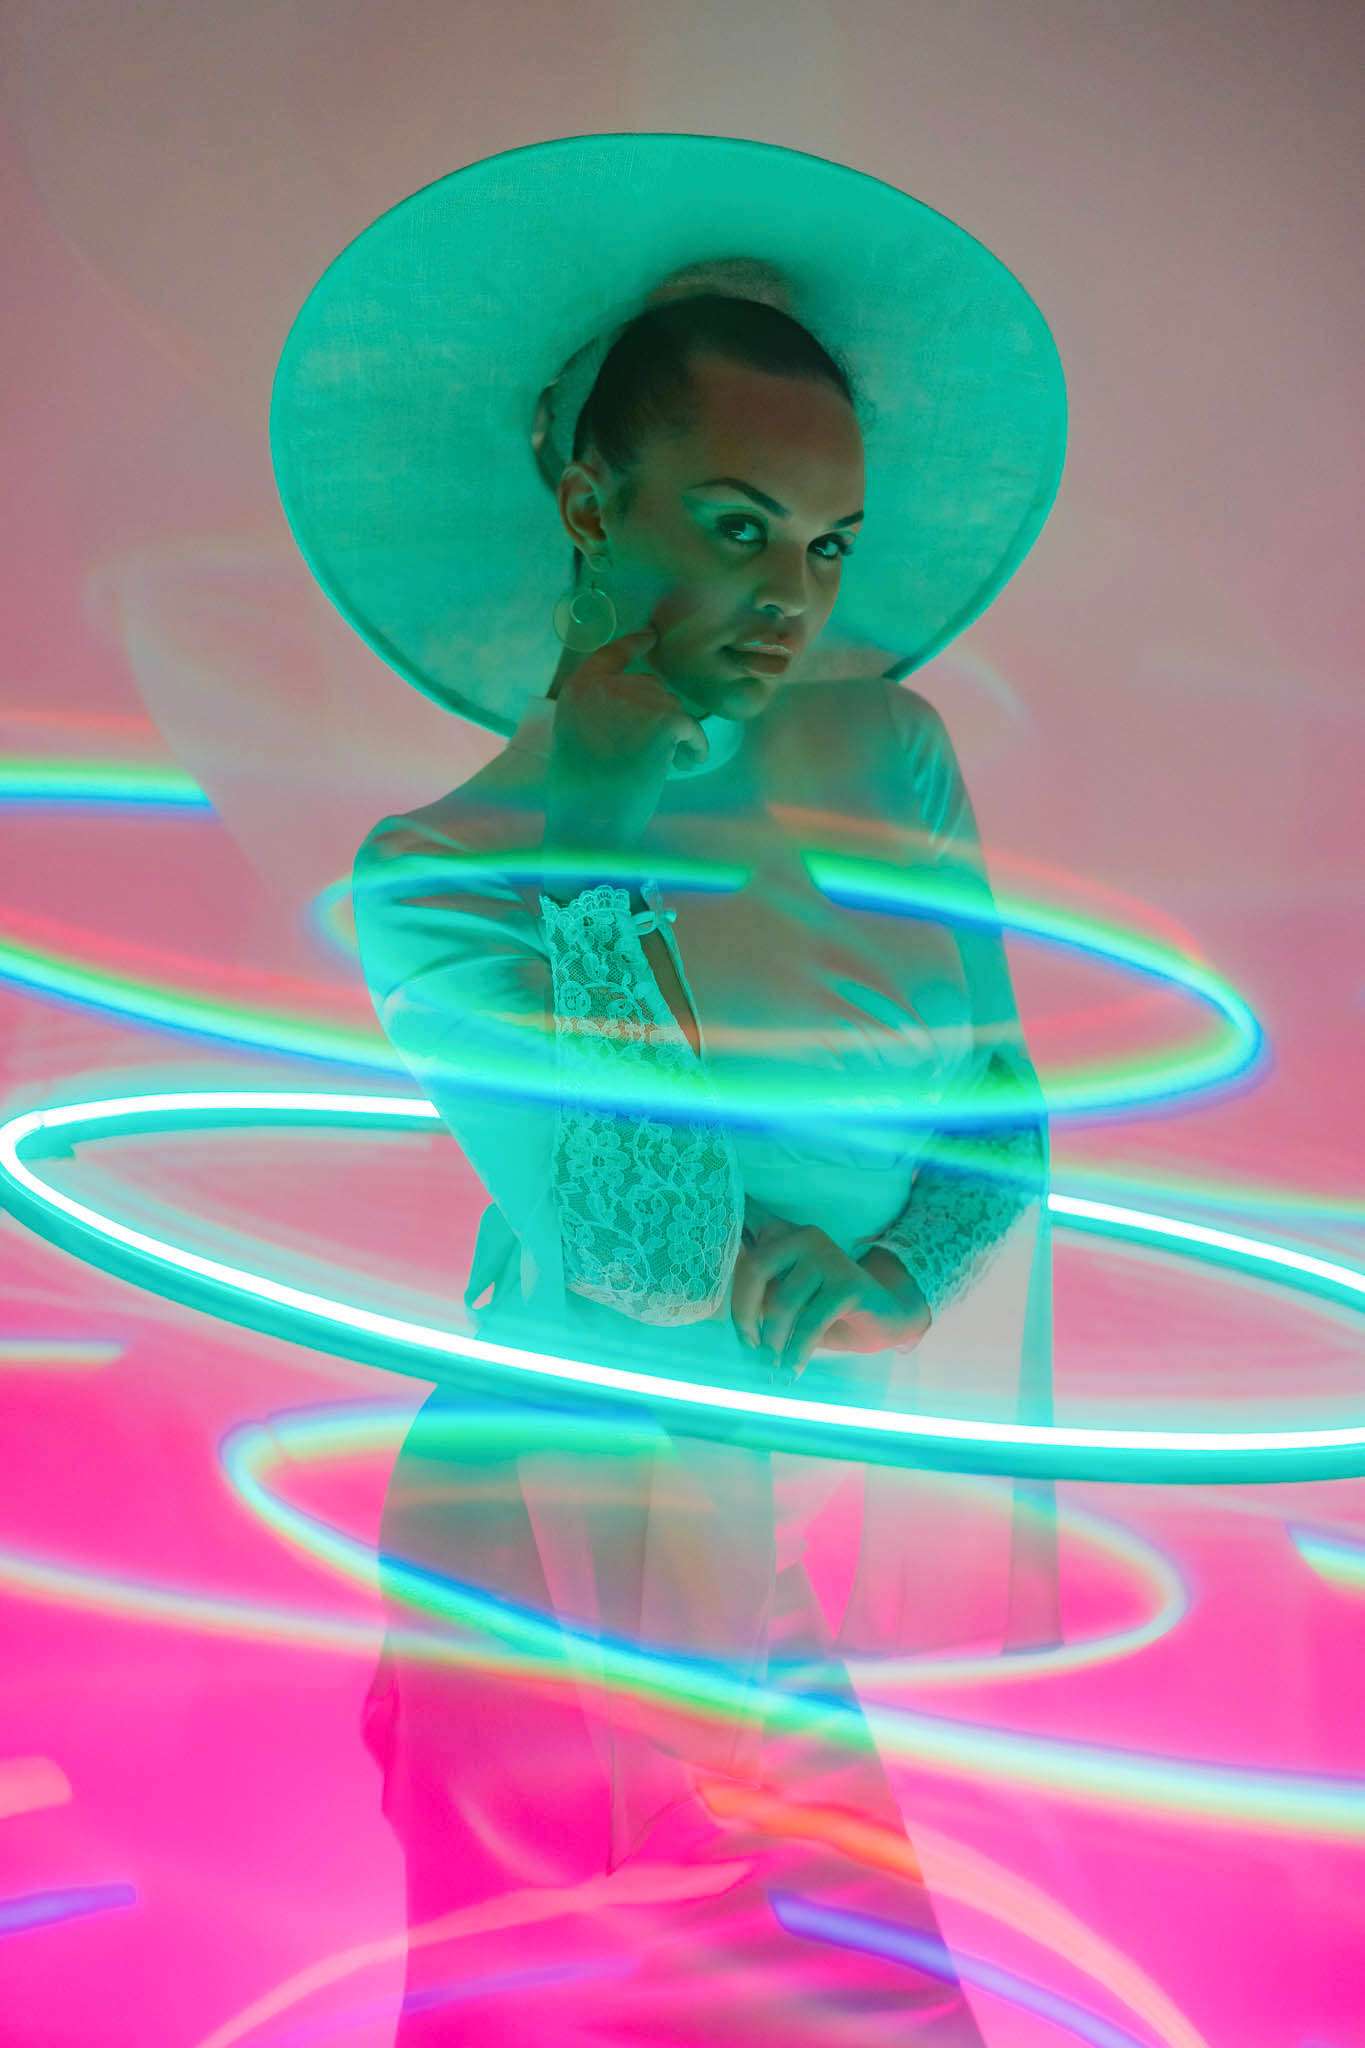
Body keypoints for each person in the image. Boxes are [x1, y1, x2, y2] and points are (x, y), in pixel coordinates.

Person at [271, 132, 1067, 2045]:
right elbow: (641, 1252)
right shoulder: (436, 877)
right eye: (733, 525)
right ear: (585, 497)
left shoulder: (887, 755)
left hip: (767, 1537)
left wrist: (896, 1281)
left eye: (826, 544)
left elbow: (1000, 1103)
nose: (792, 596)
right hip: (545, 1567)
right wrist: (602, 842)